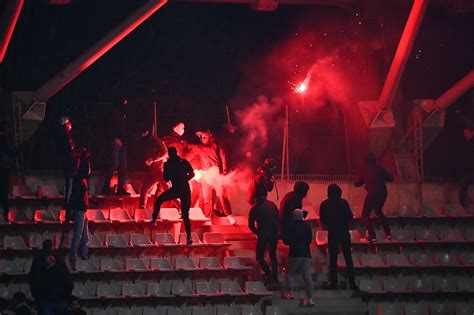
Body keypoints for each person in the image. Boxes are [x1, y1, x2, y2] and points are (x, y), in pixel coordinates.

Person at [150, 147, 194, 244]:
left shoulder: (167, 164)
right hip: (186, 190)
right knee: (185, 215)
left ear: (169, 154)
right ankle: (189, 237)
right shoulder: (184, 161)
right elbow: (192, 174)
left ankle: (153, 220)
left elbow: (166, 179)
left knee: (159, 200)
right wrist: (185, 179)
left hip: (175, 189)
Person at [191, 130, 235, 224]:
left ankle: (229, 215)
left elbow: (224, 157)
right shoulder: (199, 148)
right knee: (206, 197)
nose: (203, 139)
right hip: (206, 175)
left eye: (205, 137)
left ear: (210, 136)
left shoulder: (217, 145)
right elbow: (190, 154)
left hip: (217, 173)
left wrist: (224, 171)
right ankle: (207, 219)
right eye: (201, 138)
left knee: (222, 195)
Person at [319, 184, 357, 290]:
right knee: (348, 258)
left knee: (333, 259)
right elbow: (350, 217)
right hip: (344, 232)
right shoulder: (343, 203)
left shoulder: (325, 204)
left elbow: (323, 220)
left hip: (333, 232)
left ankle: (334, 283)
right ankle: (352, 282)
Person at [355, 153, 393, 244]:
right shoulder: (379, 168)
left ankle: (372, 236)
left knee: (365, 215)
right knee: (378, 211)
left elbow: (356, 183)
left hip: (372, 193)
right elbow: (390, 178)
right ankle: (388, 232)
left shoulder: (364, 169)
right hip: (383, 193)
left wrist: (366, 180)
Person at [29, 239, 74, 315]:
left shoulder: (38, 260)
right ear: (52, 246)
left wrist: (37, 297)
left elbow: (33, 279)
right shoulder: (60, 259)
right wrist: (67, 295)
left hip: (45, 300)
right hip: (61, 299)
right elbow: (68, 280)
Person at [284, 209, 314, 307]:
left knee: (289, 273)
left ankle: (291, 293)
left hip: (295, 253)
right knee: (307, 276)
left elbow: (286, 241)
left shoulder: (290, 226)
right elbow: (309, 240)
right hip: (306, 253)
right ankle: (310, 298)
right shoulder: (307, 226)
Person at [101, 97, 130, 195]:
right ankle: (105, 187)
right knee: (114, 164)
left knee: (123, 166)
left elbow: (125, 129)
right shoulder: (114, 113)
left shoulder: (123, 115)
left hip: (123, 143)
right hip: (116, 142)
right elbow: (108, 127)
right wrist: (115, 138)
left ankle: (120, 188)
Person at [248, 195, 279, 284]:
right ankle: (275, 277)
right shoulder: (272, 205)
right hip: (273, 234)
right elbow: (278, 219)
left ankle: (268, 274)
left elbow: (251, 225)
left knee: (259, 256)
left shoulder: (254, 208)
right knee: (273, 255)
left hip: (263, 235)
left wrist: (258, 232)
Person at [68, 148, 91, 269]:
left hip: (83, 209)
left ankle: (84, 256)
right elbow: (74, 196)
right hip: (79, 209)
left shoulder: (82, 180)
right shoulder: (79, 180)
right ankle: (73, 257)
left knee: (84, 236)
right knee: (78, 235)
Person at [138, 127, 168, 209]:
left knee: (167, 188)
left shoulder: (155, 140)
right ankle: (142, 208)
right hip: (152, 170)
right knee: (144, 187)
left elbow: (165, 153)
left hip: (159, 169)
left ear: (147, 132)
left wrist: (153, 159)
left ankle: (181, 208)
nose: (141, 135)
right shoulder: (143, 142)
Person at [55, 116, 76, 216]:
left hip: (67, 163)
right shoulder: (66, 136)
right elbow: (69, 150)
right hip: (69, 164)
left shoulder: (60, 136)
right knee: (70, 185)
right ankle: (68, 208)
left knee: (70, 185)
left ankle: (68, 207)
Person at [0, 122, 14, 222]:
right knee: (4, 191)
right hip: (4, 167)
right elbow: (11, 152)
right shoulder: (6, 140)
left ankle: (5, 214)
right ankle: (5, 214)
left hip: (3, 166)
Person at [460, 126, 474, 208]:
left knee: (464, 182)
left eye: (467, 133)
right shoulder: (466, 144)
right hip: (470, 171)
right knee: (463, 181)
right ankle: (462, 205)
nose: (465, 135)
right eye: (464, 133)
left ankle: (462, 206)